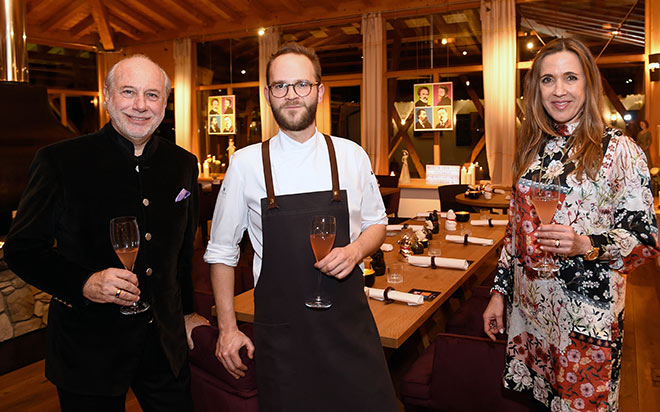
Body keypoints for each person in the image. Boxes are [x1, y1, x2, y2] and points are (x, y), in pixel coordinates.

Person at [4, 55, 208, 412]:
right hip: (89, 352)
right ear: (108, 95)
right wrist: (84, 283)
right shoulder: (59, 161)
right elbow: (22, 248)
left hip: (164, 345)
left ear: (165, 101)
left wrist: (188, 313)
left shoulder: (183, 164)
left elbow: (179, 254)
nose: (141, 106)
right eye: (129, 92)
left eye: (152, 95)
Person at [204, 43, 398, 411]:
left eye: (302, 85)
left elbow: (377, 223)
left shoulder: (351, 155)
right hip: (284, 335)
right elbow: (221, 253)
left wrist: (356, 250)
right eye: (280, 86)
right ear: (268, 95)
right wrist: (228, 329)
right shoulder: (245, 164)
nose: (291, 95)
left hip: (349, 330)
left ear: (320, 91)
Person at [482, 38, 659, 411]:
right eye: (547, 80)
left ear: (588, 85)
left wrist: (586, 244)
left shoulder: (619, 150)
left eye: (570, 78)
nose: (558, 90)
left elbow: (646, 242)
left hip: (585, 320)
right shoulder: (533, 150)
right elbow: (514, 234)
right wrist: (499, 293)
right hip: (532, 314)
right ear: (536, 90)